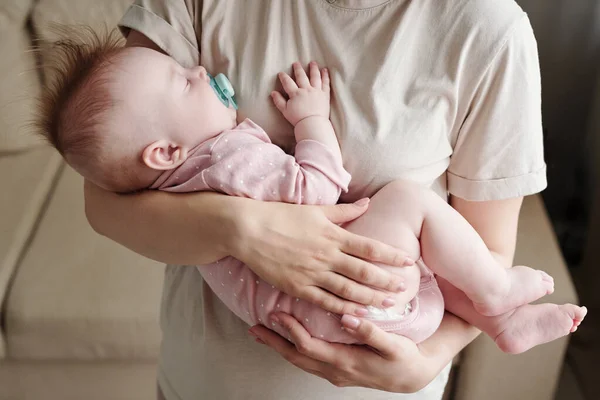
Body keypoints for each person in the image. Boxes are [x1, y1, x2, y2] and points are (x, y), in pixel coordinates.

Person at [82, 0, 556, 399]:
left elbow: (488, 249)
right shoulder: (227, 152)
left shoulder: (489, 31)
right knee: (409, 206)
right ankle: (500, 313)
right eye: (187, 79)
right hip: (208, 379)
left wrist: (425, 362)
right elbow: (107, 192)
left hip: (355, 354)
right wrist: (240, 227)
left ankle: (501, 319)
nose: (200, 72)